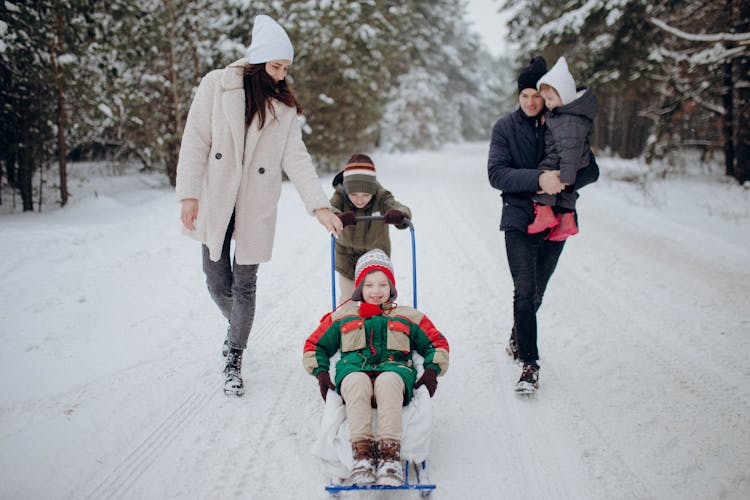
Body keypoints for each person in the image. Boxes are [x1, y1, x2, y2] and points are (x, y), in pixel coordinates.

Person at [175, 15, 342, 397]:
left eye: (286, 68)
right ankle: (238, 325)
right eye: (277, 67)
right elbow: (195, 140)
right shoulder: (216, 86)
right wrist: (189, 194)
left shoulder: (282, 108)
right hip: (217, 198)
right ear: (258, 62)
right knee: (216, 281)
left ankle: (234, 355)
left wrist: (319, 208)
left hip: (255, 204)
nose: (283, 76)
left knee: (245, 285)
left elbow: (297, 160)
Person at [487, 56, 599, 393]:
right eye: (524, 95)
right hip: (519, 218)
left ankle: (517, 337)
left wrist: (564, 181)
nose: (531, 101)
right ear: (518, 97)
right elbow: (497, 174)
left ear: (547, 94)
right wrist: (539, 179)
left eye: (537, 94)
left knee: (537, 292)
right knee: (523, 291)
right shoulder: (504, 128)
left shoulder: (564, 122)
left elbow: (592, 170)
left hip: (556, 221)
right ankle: (529, 364)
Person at [303, 249, 449, 486]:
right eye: (369, 285)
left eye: (383, 284)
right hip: (354, 374)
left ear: (391, 287)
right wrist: (320, 373)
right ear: (360, 288)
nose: (376, 291)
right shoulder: (344, 315)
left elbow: (437, 342)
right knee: (356, 381)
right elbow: (314, 345)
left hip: (394, 374)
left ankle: (390, 456)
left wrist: (432, 371)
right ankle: (362, 455)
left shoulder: (407, 316)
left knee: (388, 381)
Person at [527, 56, 598, 241]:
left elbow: (569, 150)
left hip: (564, 162)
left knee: (546, 173)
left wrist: (565, 180)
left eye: (550, 99)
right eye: (545, 99)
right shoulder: (566, 115)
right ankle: (567, 220)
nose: (547, 104)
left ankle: (544, 213)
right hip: (571, 163)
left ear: (564, 95)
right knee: (567, 194)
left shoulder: (569, 122)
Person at [330, 153, 412, 303]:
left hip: (375, 258)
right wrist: (337, 217)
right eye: (354, 194)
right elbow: (330, 209)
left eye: (366, 194)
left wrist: (399, 214)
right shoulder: (340, 195)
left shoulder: (381, 196)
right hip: (347, 257)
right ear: (347, 189)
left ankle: (378, 323)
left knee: (376, 297)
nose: (360, 200)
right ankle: (349, 322)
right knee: (349, 300)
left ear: (373, 190)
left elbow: (398, 206)